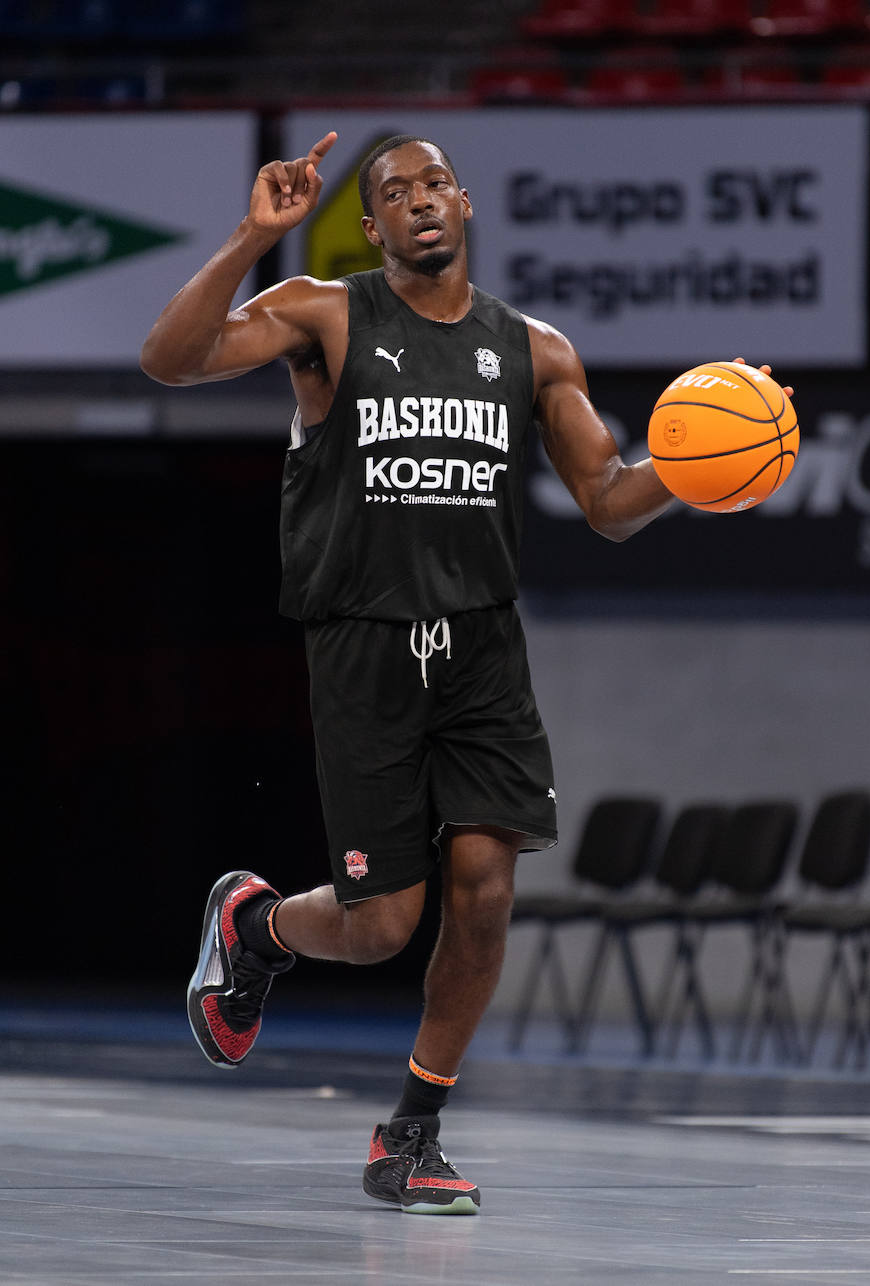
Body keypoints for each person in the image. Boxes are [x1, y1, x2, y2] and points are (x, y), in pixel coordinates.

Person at [141, 131, 788, 1215]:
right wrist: (253, 239)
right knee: (381, 924)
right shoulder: (323, 313)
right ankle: (252, 926)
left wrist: (705, 457)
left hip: (481, 650)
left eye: (433, 183)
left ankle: (410, 1134)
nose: (418, 202)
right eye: (393, 193)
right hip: (363, 644)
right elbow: (169, 360)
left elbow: (609, 504)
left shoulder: (533, 351)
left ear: (464, 202)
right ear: (377, 227)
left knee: (484, 889)